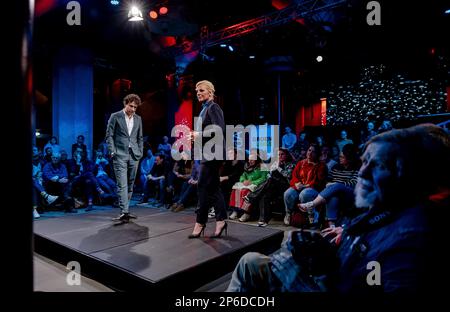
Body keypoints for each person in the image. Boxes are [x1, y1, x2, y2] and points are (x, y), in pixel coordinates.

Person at [226, 124, 449, 293]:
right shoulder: (393, 207)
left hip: (326, 282)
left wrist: (318, 266)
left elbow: (366, 276)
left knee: (251, 265)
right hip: (331, 267)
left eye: (378, 164)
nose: (363, 172)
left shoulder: (415, 234)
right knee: (250, 261)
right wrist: (334, 242)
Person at [188, 80, 228, 238]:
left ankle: (200, 221)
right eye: (197, 90)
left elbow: (219, 130)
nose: (198, 92)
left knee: (202, 186)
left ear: (210, 92)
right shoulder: (204, 109)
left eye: (201, 90)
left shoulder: (213, 107)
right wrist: (196, 138)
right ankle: (221, 220)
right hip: (208, 153)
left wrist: (199, 135)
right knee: (213, 188)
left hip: (214, 154)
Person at [106, 94, 143, 222]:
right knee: (122, 184)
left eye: (135, 107)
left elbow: (140, 137)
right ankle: (124, 211)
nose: (133, 109)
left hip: (134, 154)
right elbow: (109, 135)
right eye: (131, 106)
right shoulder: (115, 116)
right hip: (119, 154)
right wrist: (112, 151)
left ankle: (126, 210)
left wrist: (140, 151)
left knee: (131, 183)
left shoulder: (138, 119)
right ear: (125, 104)